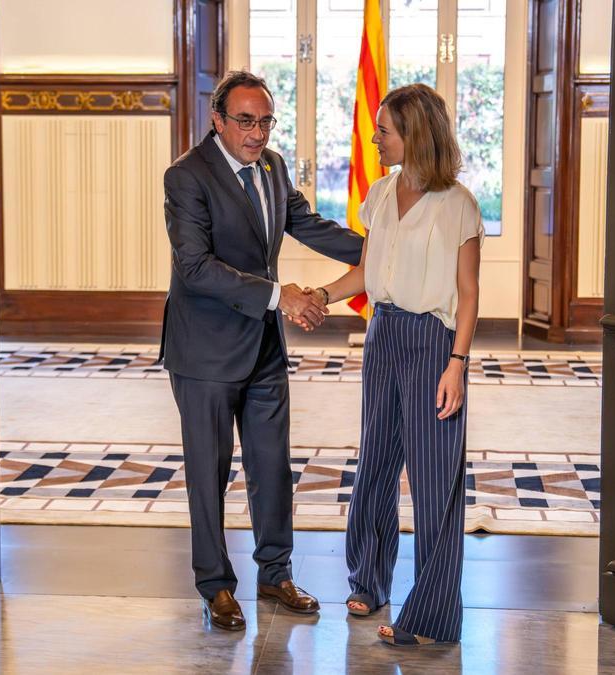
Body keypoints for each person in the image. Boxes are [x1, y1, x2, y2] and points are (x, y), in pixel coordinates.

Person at [161, 71, 365, 632]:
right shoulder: (186, 177)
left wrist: (389, 245)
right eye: (246, 121)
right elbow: (196, 268)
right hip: (204, 350)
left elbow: (310, 226)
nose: (257, 133)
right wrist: (283, 296)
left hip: (264, 350)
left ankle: (275, 575)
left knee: (273, 469)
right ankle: (215, 585)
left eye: (265, 121)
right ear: (218, 119)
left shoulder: (272, 167)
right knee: (210, 471)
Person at [302, 83, 481, 646]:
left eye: (384, 130)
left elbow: (469, 294)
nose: (375, 138)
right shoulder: (378, 195)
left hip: (434, 343)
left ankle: (431, 615)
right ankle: (369, 578)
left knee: (433, 481)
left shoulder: (459, 204)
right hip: (382, 336)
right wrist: (321, 297)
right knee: (375, 461)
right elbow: (366, 271)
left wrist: (456, 363)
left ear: (415, 135)